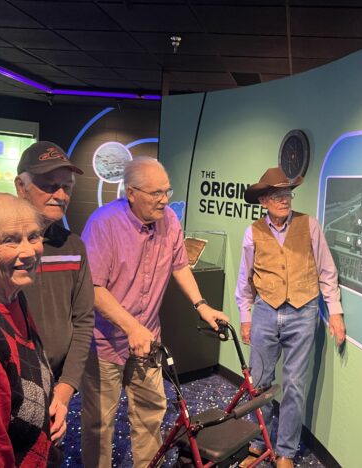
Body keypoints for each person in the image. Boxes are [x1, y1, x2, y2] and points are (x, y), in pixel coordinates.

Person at [80, 156, 229, 467]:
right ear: (131, 192)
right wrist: (131, 327)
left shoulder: (169, 221)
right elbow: (93, 288)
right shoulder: (103, 223)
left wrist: (201, 305)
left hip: (148, 340)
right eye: (156, 193)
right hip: (105, 343)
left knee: (150, 415)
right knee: (99, 425)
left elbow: (179, 266)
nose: (164, 200)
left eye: (167, 192)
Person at [235, 167, 346, 468]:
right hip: (265, 312)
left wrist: (334, 312)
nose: (284, 200)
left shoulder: (309, 225)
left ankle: (285, 451)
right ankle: (258, 444)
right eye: (276, 195)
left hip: (303, 311)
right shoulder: (252, 233)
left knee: (295, 384)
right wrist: (246, 317)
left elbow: (326, 271)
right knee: (259, 383)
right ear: (264, 201)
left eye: (287, 193)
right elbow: (245, 280)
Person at [14, 141, 95, 444]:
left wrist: (65, 389)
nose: (60, 195)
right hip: (6, 386)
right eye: (49, 185)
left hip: (55, 388)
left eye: (66, 186)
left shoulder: (74, 247)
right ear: (21, 186)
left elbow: (84, 320)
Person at [0, 193, 53, 466]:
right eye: (10, 240)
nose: (29, 251)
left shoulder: (12, 295)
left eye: (33, 237)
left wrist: (51, 402)